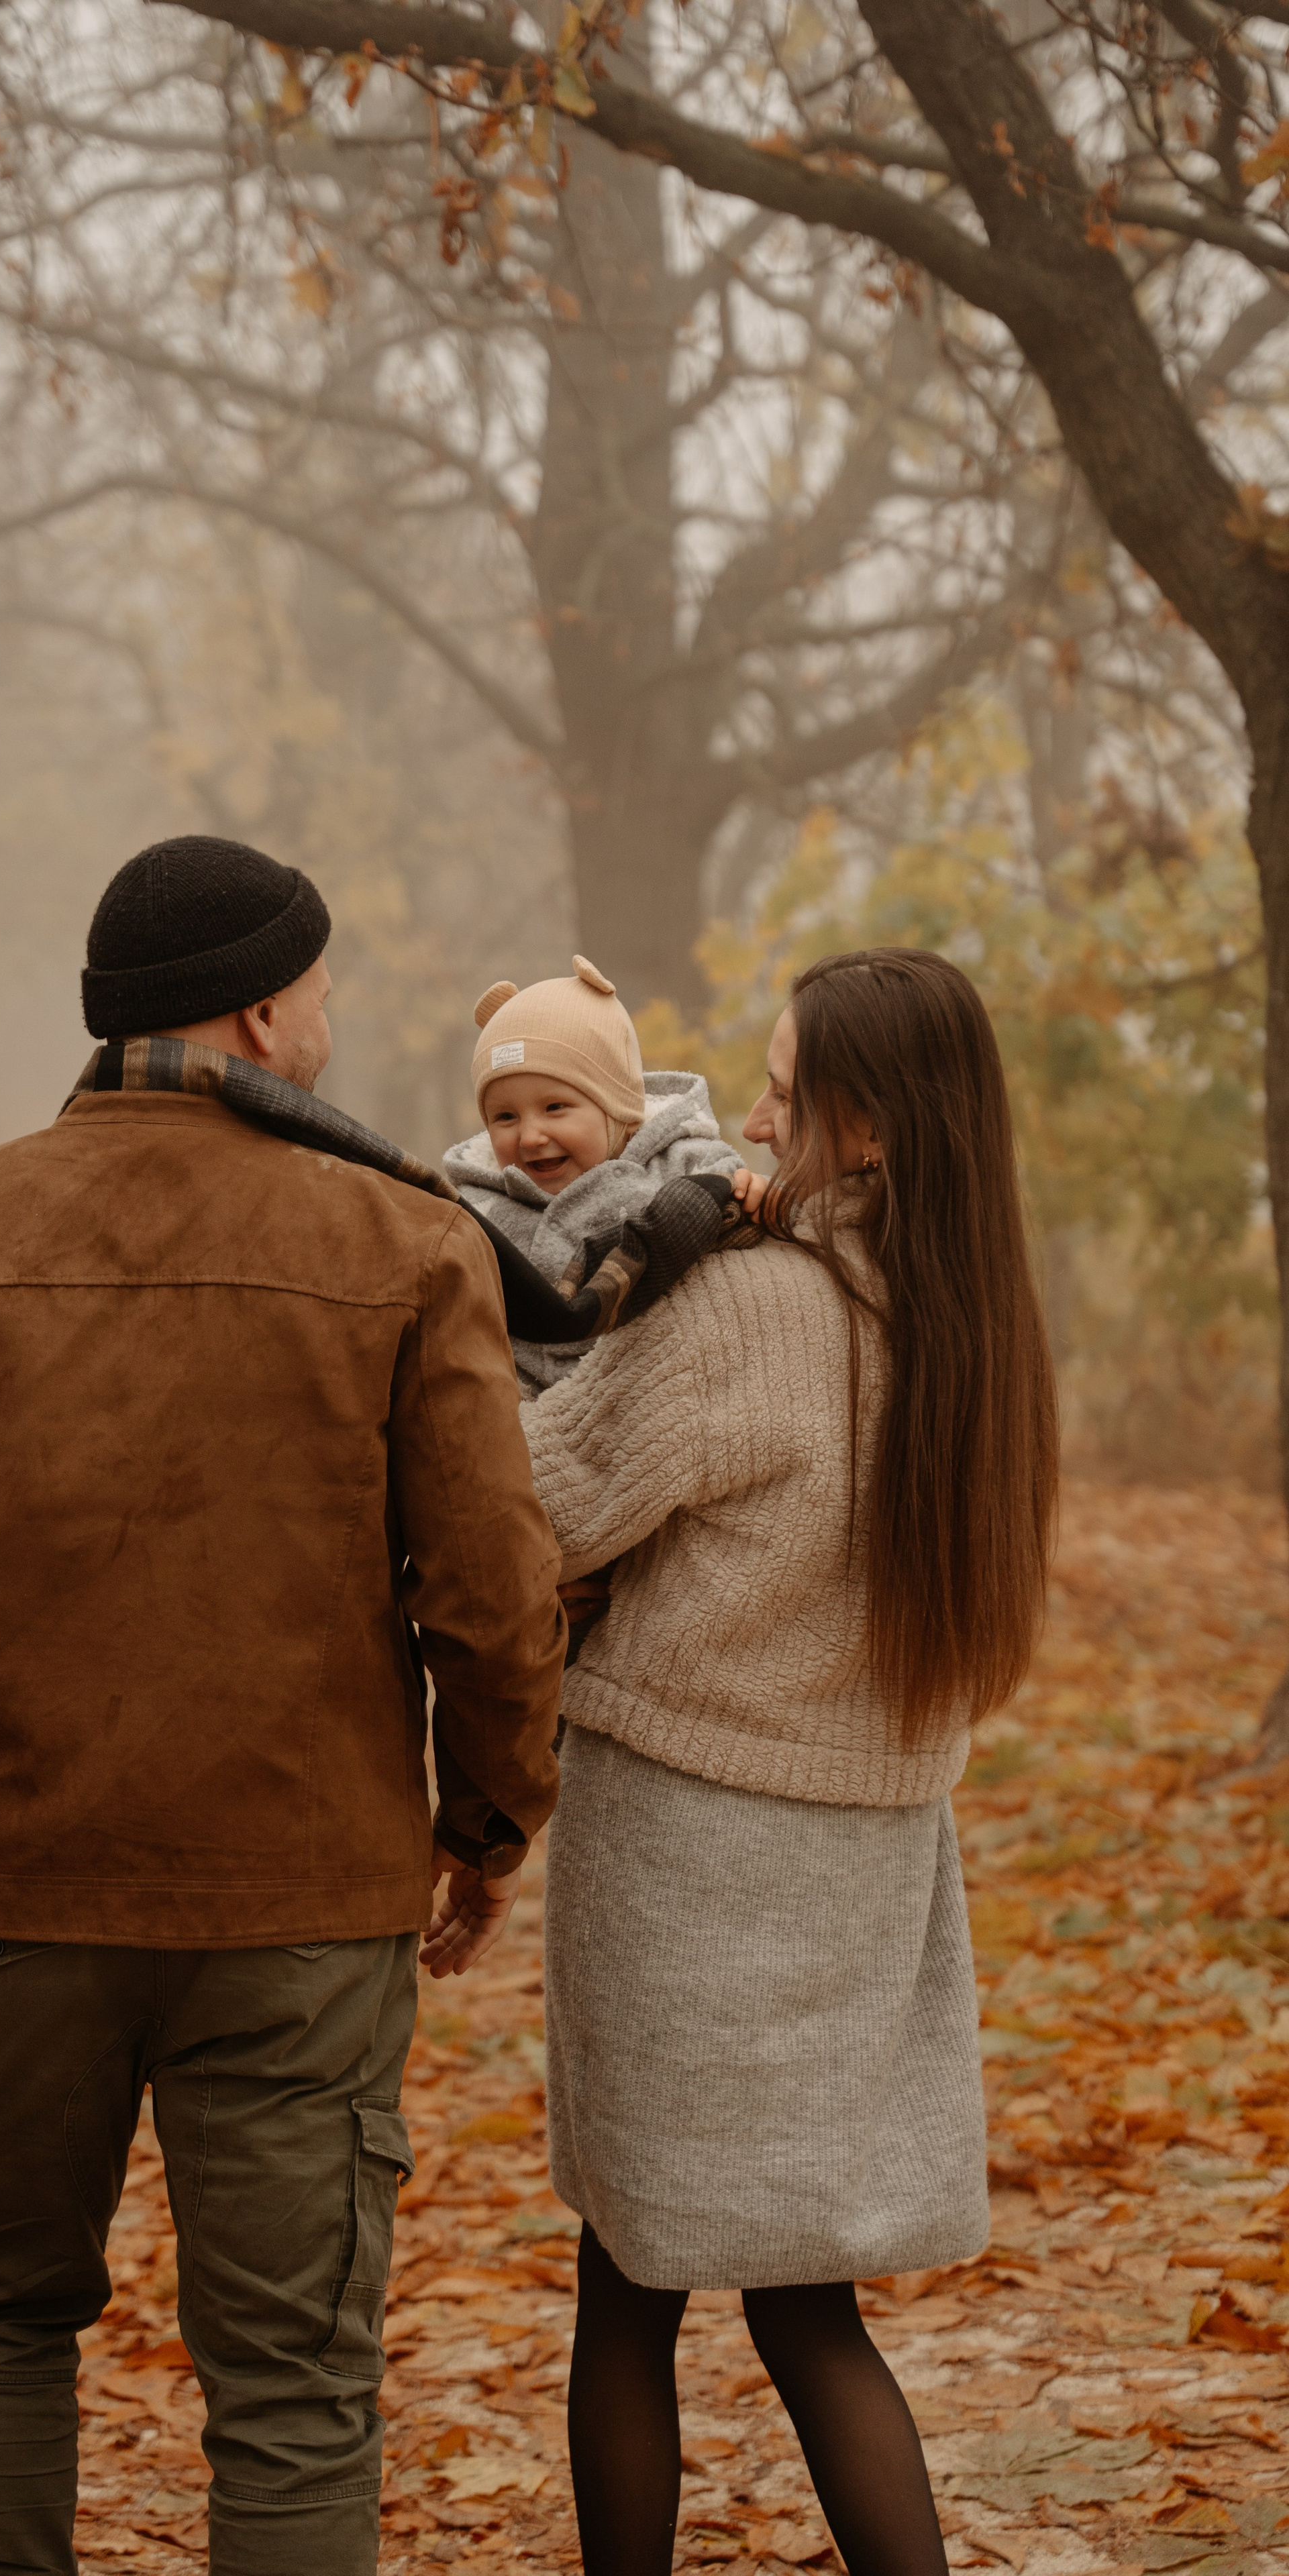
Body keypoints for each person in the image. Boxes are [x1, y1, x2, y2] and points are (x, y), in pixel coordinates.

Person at [0, 835, 566, 2576]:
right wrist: (489, 1824)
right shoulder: (411, 1248)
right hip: (298, 1905)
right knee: (292, 2388)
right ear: (267, 1010)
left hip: (9, 1899)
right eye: (326, 987)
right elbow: (496, 1600)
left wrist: (21, 1552)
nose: (332, 1017)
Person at [521, 947, 1059, 2576]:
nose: (743, 1112)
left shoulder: (749, 1309)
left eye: (773, 1085)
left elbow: (529, 1506)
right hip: (862, 1869)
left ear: (872, 1128)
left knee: (626, 2280)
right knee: (802, 2303)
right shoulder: (975, 1340)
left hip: (682, 1856)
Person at [443, 955, 742, 1399]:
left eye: (554, 1107)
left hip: (671, 1396)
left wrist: (748, 1198)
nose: (530, 1136)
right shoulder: (476, 1208)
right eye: (504, 1117)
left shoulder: (684, 1166)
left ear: (618, 1108)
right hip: (527, 1421)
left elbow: (741, 1219)